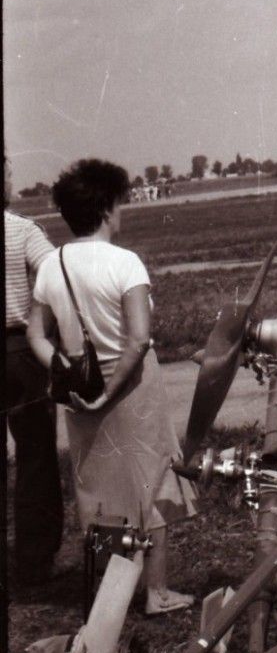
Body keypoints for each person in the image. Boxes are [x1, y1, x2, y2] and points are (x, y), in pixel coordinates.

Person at [27, 159, 196, 615]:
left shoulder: (53, 264)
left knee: (97, 490)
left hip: (79, 389)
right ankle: (156, 591)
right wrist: (110, 391)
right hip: (132, 387)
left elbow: (36, 334)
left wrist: (64, 367)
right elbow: (138, 340)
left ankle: (112, 593)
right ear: (105, 209)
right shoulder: (125, 262)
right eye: (119, 204)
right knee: (151, 485)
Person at [4, 159, 64, 586]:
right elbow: (54, 276)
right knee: (36, 455)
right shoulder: (23, 230)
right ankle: (34, 559)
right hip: (20, 351)